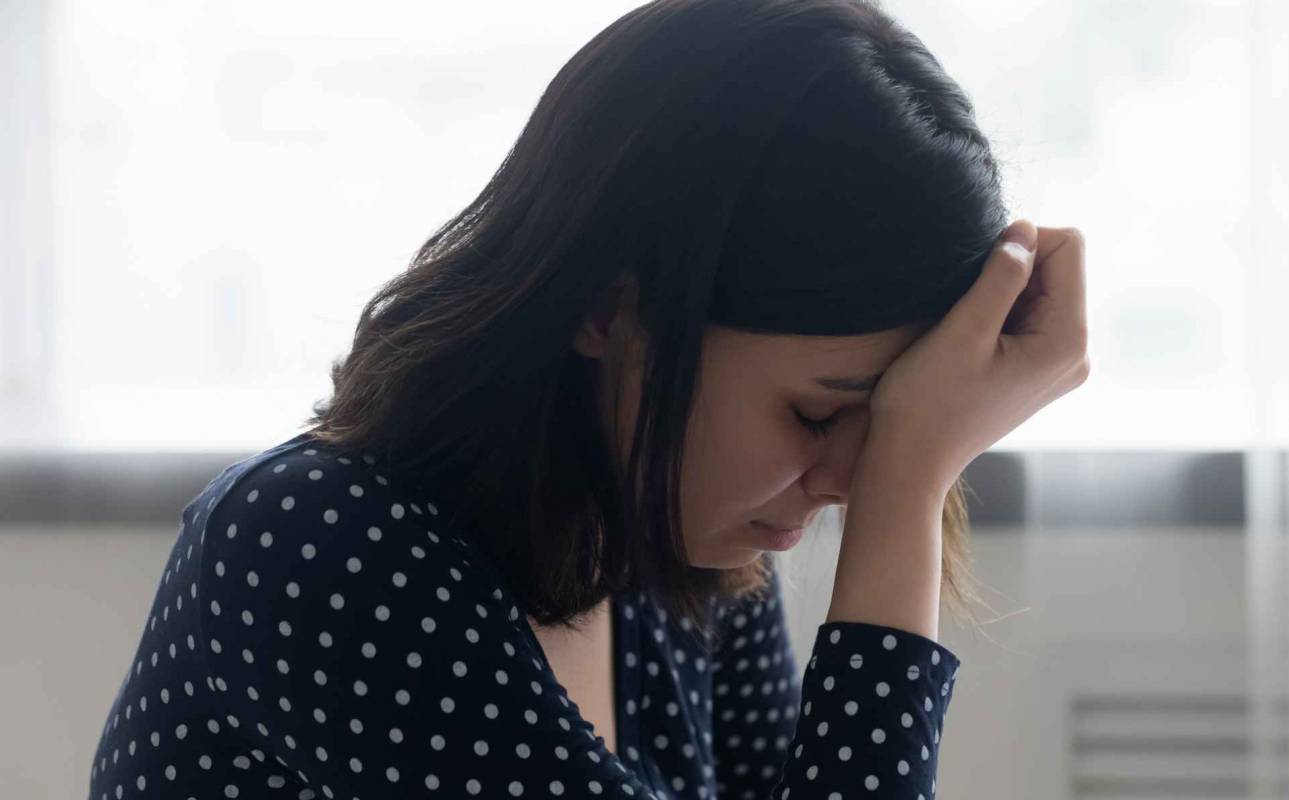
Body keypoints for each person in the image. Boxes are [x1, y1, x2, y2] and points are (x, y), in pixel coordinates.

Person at [85, 0, 1088, 797]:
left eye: (891, 421)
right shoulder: (317, 548)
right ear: (610, 308)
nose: (843, 482)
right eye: (820, 413)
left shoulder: (680, 549)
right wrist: (910, 486)